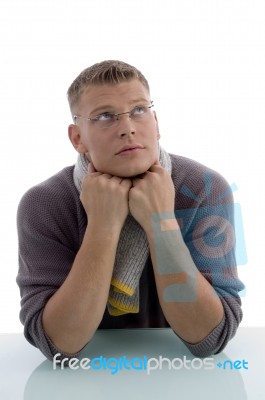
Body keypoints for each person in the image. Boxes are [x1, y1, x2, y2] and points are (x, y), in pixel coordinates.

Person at [16, 60, 245, 362]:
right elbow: (59, 346)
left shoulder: (205, 188)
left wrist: (160, 221)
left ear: (157, 123)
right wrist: (103, 226)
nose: (127, 129)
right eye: (105, 116)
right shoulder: (43, 204)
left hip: (180, 378)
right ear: (77, 138)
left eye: (139, 110)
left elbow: (211, 337)